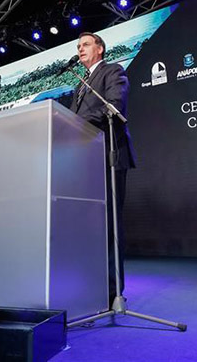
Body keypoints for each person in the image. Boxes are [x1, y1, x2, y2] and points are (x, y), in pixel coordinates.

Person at [69, 32, 136, 305]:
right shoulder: (80, 86)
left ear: (100, 48)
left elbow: (113, 107)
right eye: (78, 46)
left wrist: (75, 121)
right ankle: (90, 284)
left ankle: (112, 292)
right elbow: (71, 120)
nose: (80, 49)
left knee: (109, 226)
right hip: (86, 163)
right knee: (89, 226)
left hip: (109, 156)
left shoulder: (112, 71)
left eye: (85, 45)